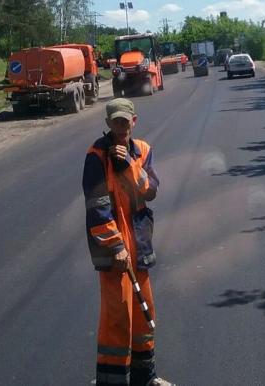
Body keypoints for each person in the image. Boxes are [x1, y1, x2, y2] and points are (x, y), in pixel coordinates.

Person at [82, 98, 174, 386]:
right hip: (114, 253)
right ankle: (111, 381)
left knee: (144, 314)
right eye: (116, 121)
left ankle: (145, 378)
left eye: (126, 121)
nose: (122, 127)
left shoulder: (142, 151)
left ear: (134, 121)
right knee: (117, 318)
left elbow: (151, 190)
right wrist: (116, 246)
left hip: (140, 245)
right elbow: (97, 208)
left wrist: (129, 166)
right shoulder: (96, 156)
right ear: (108, 123)